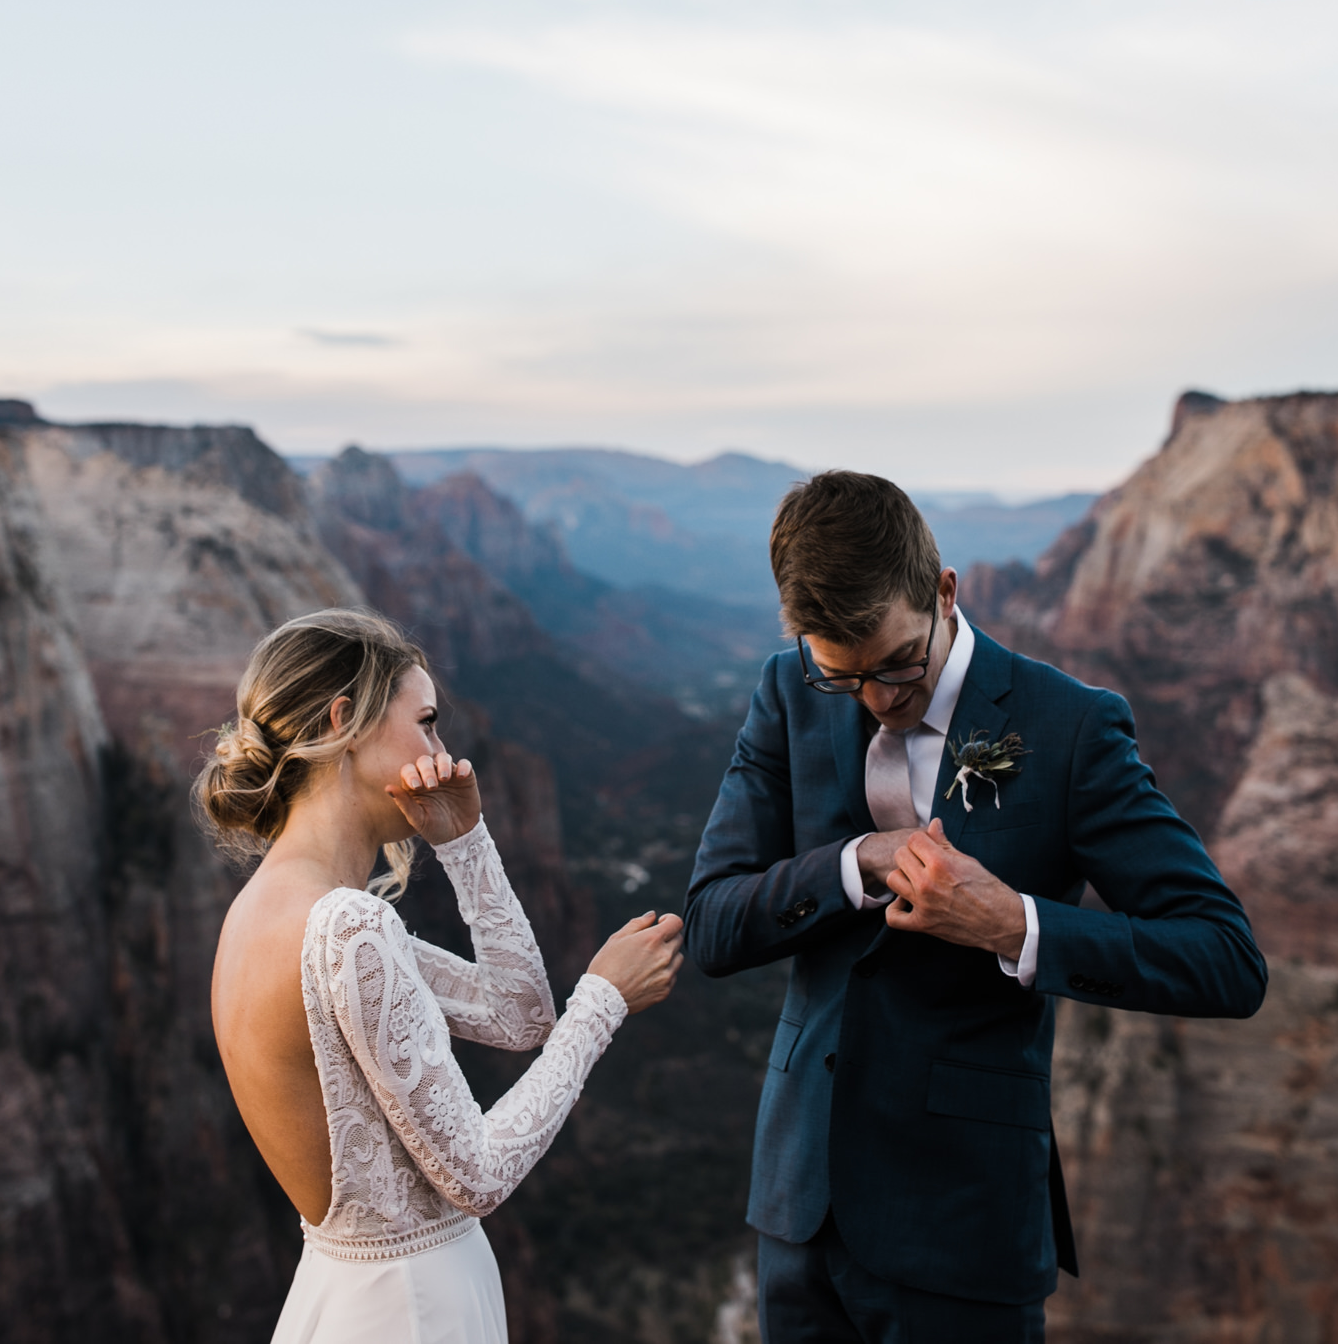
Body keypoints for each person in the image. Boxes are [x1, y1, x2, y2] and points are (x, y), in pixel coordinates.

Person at [686, 472, 1267, 1342]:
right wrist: (854, 864)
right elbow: (712, 922)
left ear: (945, 591)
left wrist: (1014, 924)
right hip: (799, 1212)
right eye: (846, 679)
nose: (879, 698)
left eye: (899, 665)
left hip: (963, 1223)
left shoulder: (1071, 728)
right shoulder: (786, 692)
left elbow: (1225, 957)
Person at [206, 608, 684, 1343]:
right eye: (426, 721)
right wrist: (603, 1000)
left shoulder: (265, 911)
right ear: (347, 720)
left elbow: (519, 1015)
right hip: (412, 1310)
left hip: (342, 1297)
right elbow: (478, 1174)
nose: (442, 747)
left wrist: (465, 842)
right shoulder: (347, 926)